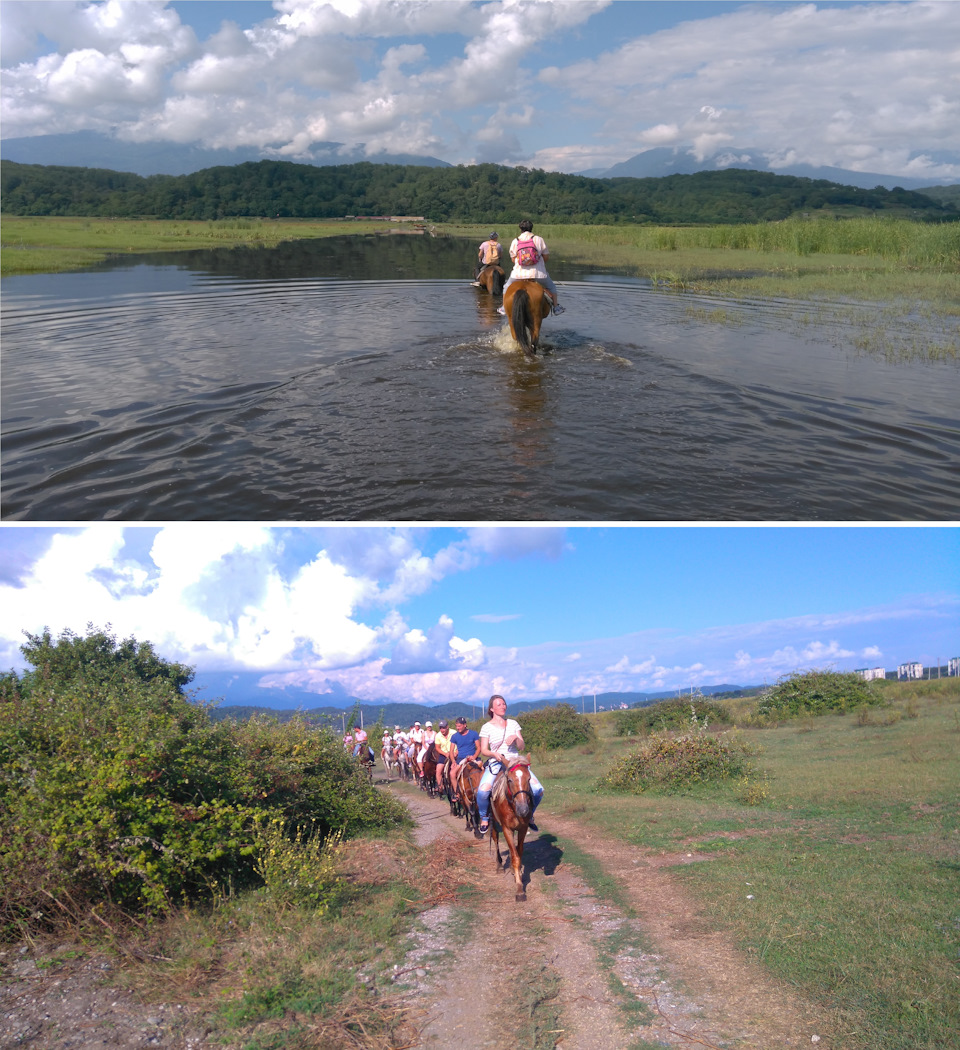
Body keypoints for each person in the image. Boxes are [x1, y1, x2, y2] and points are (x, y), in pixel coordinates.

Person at [475, 694, 543, 835]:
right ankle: (485, 817)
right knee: (482, 792)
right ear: (492, 709)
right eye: (499, 704)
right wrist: (494, 754)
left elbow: (522, 746)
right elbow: (483, 750)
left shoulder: (512, 724)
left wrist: (516, 738)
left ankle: (529, 815)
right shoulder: (486, 727)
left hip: (516, 762)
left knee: (538, 790)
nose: (503, 706)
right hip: (497, 762)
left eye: (504, 703)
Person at [498, 219, 563, 316]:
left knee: (506, 287)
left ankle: (503, 307)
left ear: (520, 229)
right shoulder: (539, 239)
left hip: (518, 275)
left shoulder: (515, 241)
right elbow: (546, 257)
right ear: (531, 228)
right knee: (552, 287)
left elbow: (513, 259)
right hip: (538, 274)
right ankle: (556, 307)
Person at [449, 715, 481, 791]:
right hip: (461, 759)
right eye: (456, 726)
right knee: (452, 774)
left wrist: (474, 756)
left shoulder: (474, 734)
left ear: (465, 725)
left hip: (473, 758)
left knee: (483, 770)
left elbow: (479, 747)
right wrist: (453, 761)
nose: (458, 728)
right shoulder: (454, 736)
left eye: (459, 726)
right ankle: (456, 792)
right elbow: (451, 751)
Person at [433, 720, 453, 791]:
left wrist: (454, 753)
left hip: (454, 754)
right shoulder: (438, 735)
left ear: (447, 727)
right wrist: (445, 754)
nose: (442, 730)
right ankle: (440, 786)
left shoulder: (454, 733)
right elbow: (437, 748)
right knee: (438, 770)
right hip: (443, 754)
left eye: (443, 728)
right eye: (440, 728)